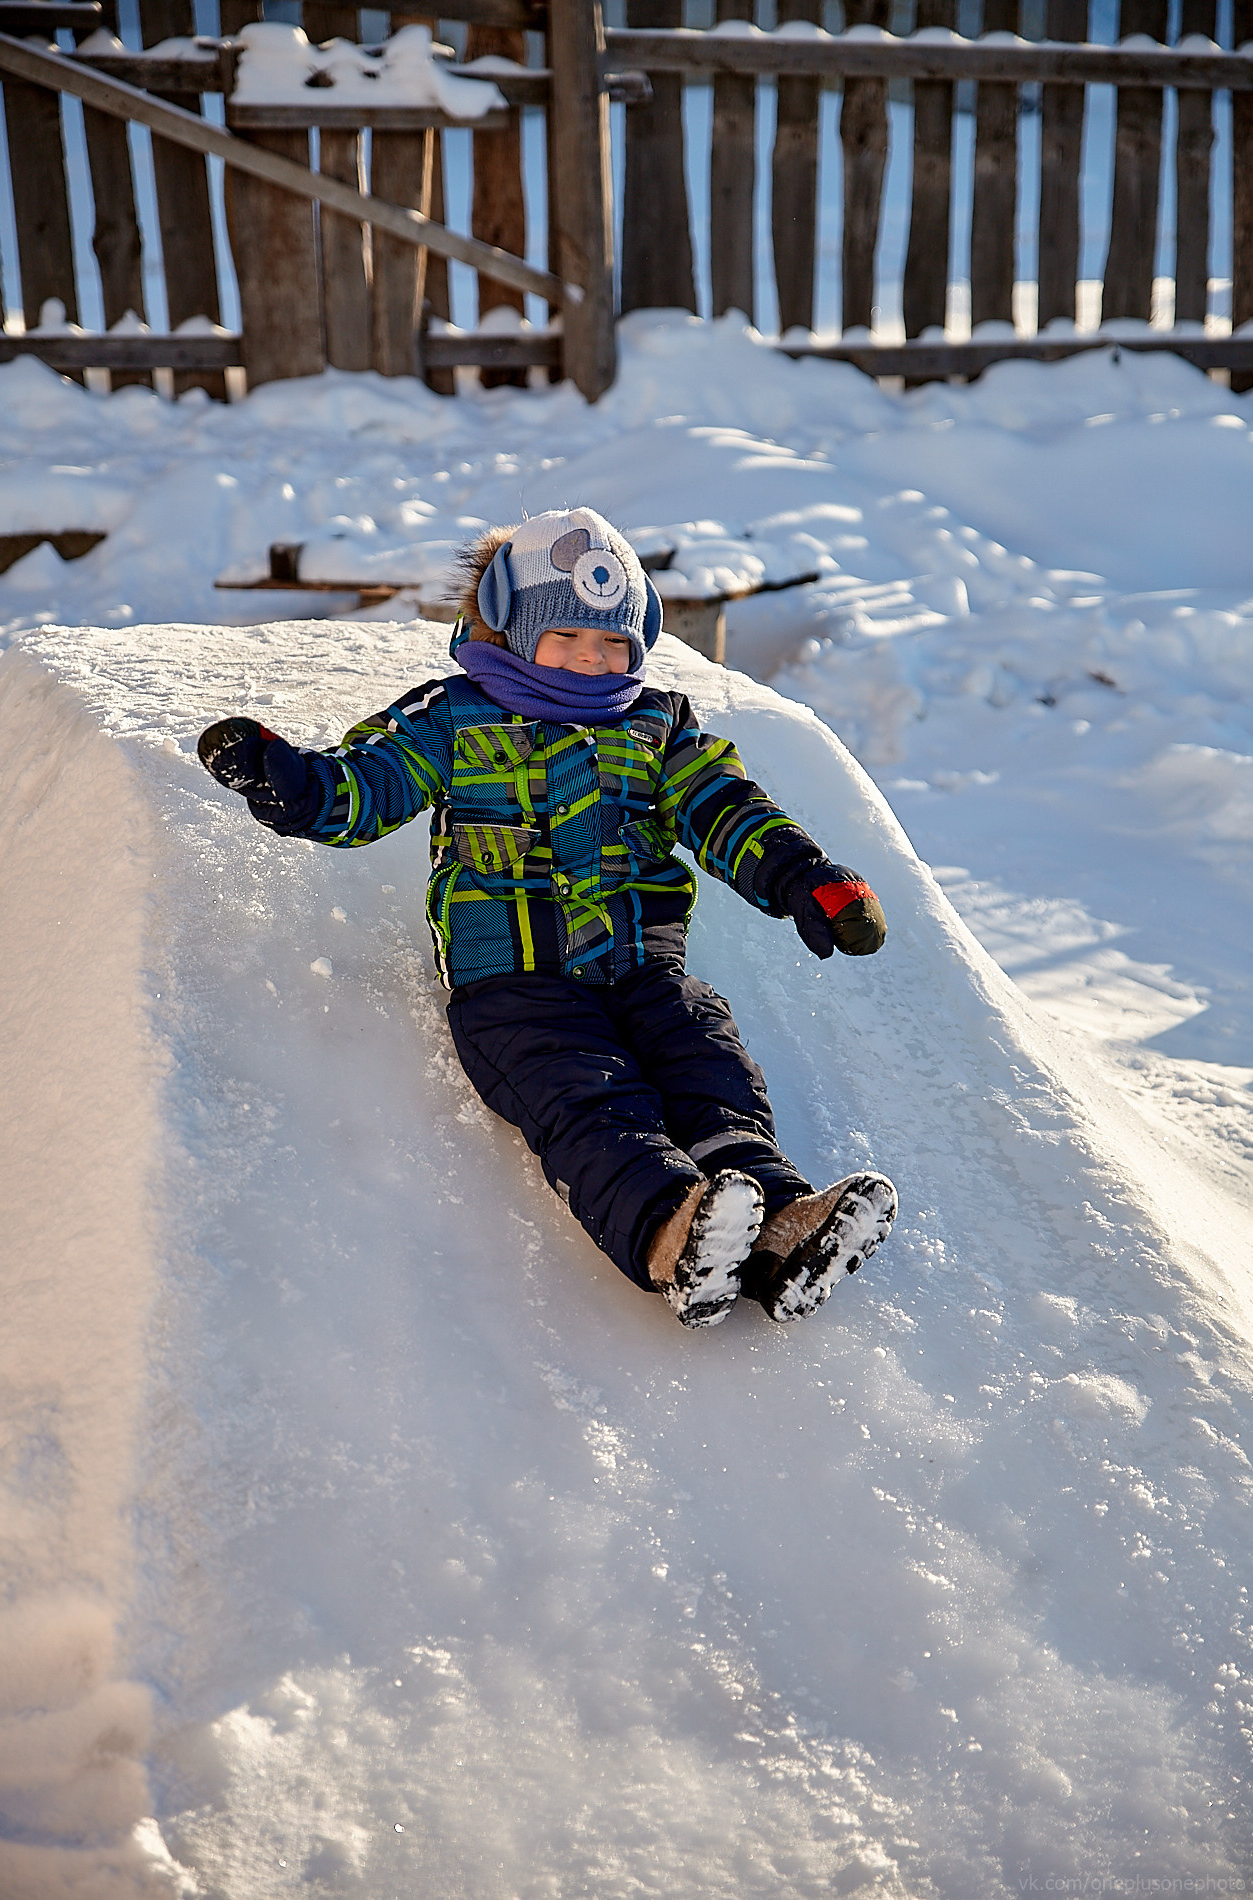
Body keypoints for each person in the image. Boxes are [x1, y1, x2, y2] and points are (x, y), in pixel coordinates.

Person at [198, 507, 897, 1329]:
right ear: (509, 630)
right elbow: (368, 785)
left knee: (708, 1063)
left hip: (643, 967)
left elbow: (724, 807)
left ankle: (779, 1225)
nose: (593, 661)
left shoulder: (657, 724)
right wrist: (297, 785)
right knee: (586, 1096)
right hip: (512, 985)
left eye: (614, 645)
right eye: (568, 638)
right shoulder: (450, 717)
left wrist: (804, 877)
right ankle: (674, 1233)